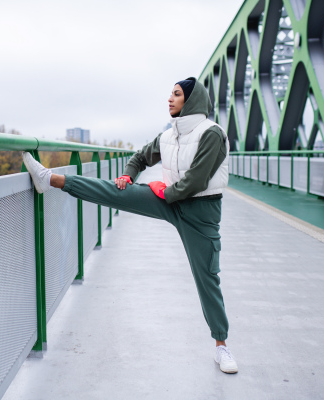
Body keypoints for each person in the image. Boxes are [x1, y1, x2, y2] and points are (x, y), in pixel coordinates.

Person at [22, 77, 237, 374]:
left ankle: (221, 346)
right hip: (170, 199)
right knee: (115, 192)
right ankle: (51, 180)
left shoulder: (211, 134)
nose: (170, 99)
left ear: (192, 100)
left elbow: (198, 180)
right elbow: (139, 157)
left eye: (176, 95)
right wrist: (128, 175)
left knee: (207, 278)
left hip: (201, 212)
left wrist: (165, 192)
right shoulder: (168, 136)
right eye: (170, 94)